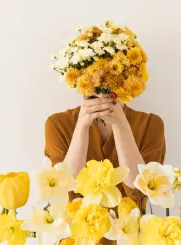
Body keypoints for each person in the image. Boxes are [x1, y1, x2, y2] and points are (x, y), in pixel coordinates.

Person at [44, 93, 166, 244]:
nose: (101, 92)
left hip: (129, 238)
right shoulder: (58, 124)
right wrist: (82, 126)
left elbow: (139, 190)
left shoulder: (150, 124)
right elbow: (64, 187)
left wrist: (120, 125)